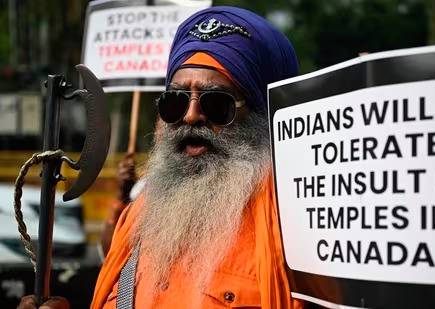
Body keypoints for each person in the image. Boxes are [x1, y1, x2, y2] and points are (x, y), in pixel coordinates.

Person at [19, 6, 305, 308]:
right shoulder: (138, 219)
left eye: (217, 104)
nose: (191, 116)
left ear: (264, 115)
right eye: (175, 101)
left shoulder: (299, 231)